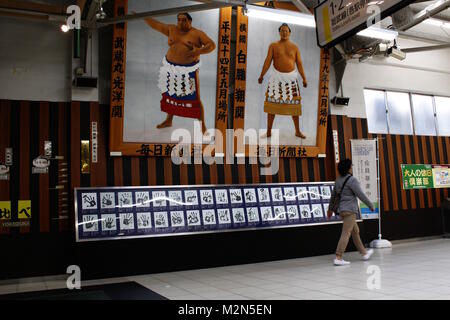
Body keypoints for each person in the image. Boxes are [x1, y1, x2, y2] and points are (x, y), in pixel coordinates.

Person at [141, 12, 216, 134]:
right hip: (171, 68)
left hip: (188, 70)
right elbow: (155, 24)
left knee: (195, 98)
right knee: (171, 95)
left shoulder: (197, 34)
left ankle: (203, 127)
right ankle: (169, 120)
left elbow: (212, 45)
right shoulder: (171, 29)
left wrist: (198, 51)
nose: (181, 22)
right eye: (179, 20)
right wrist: (142, 16)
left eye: (184, 20)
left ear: (190, 21)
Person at [258, 23, 307, 139]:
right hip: (276, 79)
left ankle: (297, 131)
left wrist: (304, 78)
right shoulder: (273, 46)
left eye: (286, 31)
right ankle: (269, 131)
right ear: (279, 32)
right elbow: (267, 61)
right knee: (271, 106)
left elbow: (299, 64)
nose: (284, 32)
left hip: (291, 80)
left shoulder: (295, 47)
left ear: (289, 33)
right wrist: (262, 75)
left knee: (295, 107)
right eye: (282, 31)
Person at [327, 158, 375, 266]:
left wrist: (330, 209)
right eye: (351, 166)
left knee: (355, 231)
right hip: (350, 211)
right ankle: (338, 257)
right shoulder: (352, 180)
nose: (352, 168)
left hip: (342, 210)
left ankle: (364, 253)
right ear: (348, 168)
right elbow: (360, 194)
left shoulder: (338, 180)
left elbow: (333, 196)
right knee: (346, 233)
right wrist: (370, 205)